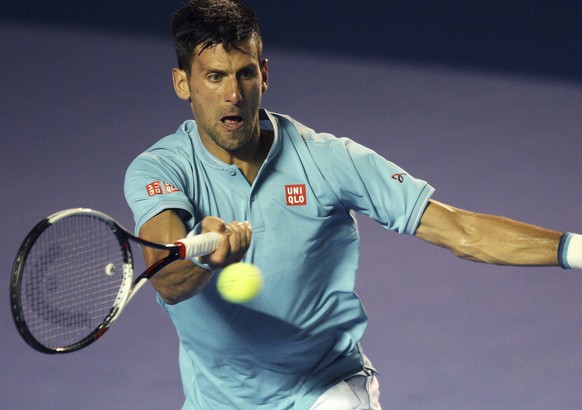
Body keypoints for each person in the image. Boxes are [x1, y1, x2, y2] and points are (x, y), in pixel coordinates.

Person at [124, 0, 581, 408]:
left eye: (245, 73)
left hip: (326, 389)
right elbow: (165, 278)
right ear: (183, 83)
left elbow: (463, 232)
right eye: (215, 76)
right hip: (216, 400)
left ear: (264, 74)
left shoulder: (329, 160)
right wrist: (209, 260)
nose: (233, 94)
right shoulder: (160, 170)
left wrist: (576, 248)